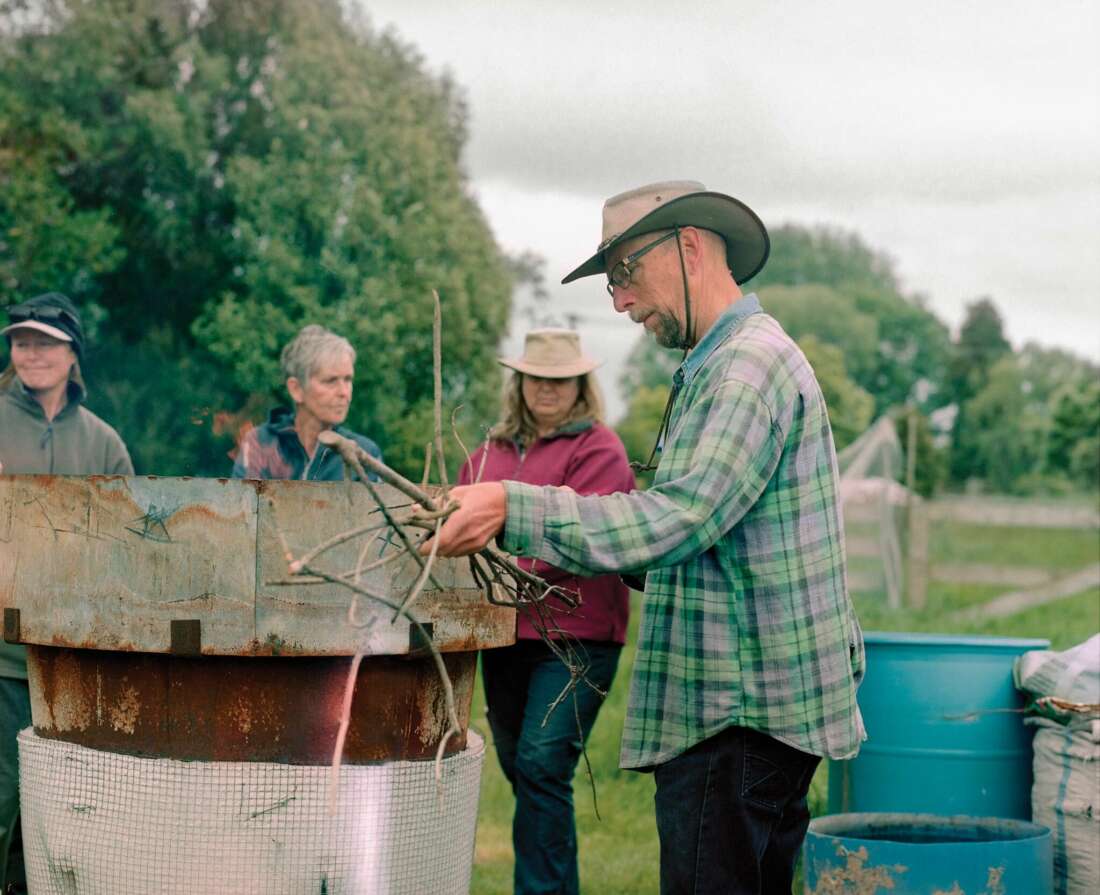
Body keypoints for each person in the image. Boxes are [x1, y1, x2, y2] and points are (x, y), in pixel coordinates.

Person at [426, 181, 866, 894]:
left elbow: (681, 518)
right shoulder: (715, 366)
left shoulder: (746, 367)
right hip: (747, 714)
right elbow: (702, 529)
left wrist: (513, 505)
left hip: (739, 715)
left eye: (625, 271)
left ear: (689, 247)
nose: (620, 301)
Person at [462, 328, 634, 895]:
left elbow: (582, 538)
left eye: (560, 379)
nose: (548, 389)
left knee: (540, 765)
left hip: (576, 635)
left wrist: (502, 572)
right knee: (523, 769)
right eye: (538, 377)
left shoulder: (598, 449)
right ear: (520, 381)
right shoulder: (490, 451)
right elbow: (458, 521)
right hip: (503, 632)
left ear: (580, 384)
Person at [0, 292, 133, 892]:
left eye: (46, 342)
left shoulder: (103, 442)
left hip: (70, 664)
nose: (32, 353)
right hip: (0, 659)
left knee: (54, 814)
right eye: (22, 341)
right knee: (0, 801)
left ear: (72, 352)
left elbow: (129, 542)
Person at [232, 324, 382, 480]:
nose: (344, 393)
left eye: (348, 379)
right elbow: (242, 503)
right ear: (296, 389)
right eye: (331, 381)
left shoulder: (363, 453)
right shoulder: (261, 442)